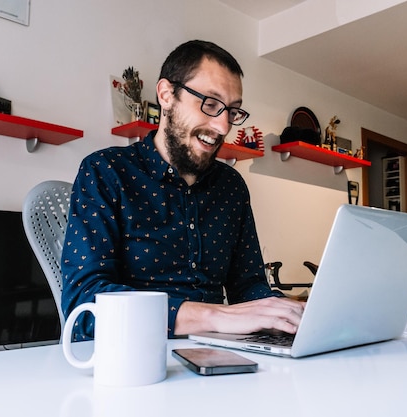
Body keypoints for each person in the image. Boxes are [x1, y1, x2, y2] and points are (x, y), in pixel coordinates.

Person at [61, 40, 305, 340]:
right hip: (129, 358)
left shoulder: (232, 187)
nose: (222, 126)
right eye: (211, 105)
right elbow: (84, 303)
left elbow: (248, 285)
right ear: (166, 95)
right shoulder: (105, 171)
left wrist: (283, 311)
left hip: (218, 354)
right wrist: (215, 315)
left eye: (232, 112)